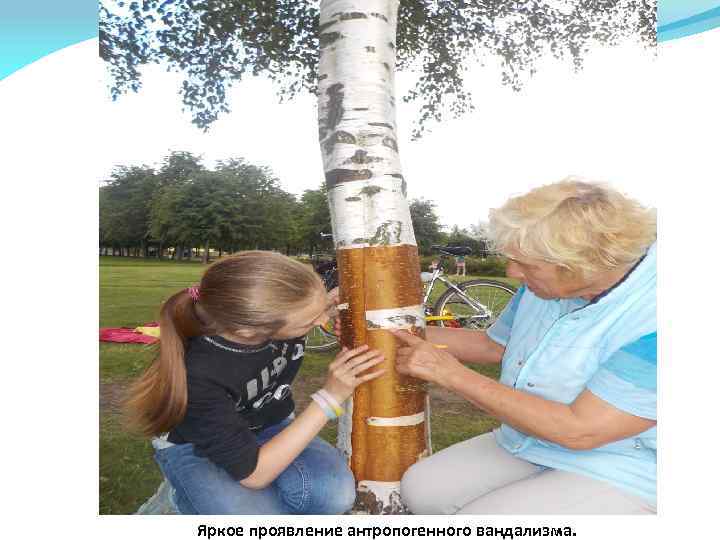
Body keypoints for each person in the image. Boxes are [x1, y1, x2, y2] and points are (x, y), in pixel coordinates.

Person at [394, 178, 657, 514]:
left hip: (630, 463)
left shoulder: (656, 317)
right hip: (532, 439)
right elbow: (493, 345)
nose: (512, 272)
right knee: (422, 489)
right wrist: (388, 330)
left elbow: (582, 431)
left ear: (584, 265)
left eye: (527, 264)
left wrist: (451, 375)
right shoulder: (545, 287)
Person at [125, 251, 385, 515]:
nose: (322, 321)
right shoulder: (201, 374)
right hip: (195, 445)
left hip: (269, 423)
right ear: (250, 331)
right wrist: (330, 399)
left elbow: (305, 311)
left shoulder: (274, 319)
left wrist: (325, 304)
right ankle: (181, 502)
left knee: (333, 496)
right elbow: (255, 474)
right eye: (310, 321)